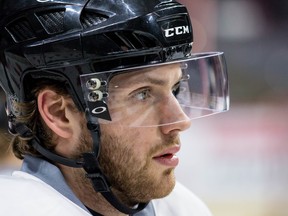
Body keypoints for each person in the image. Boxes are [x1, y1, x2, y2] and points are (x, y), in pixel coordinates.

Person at [0, 0, 229, 215]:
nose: (180, 121)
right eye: (142, 94)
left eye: (175, 87)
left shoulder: (182, 208)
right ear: (59, 114)